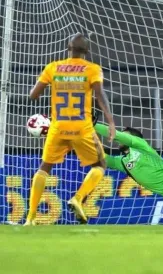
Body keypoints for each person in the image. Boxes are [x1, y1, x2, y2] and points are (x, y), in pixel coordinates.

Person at [25, 33, 116, 226]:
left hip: (58, 127)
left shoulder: (53, 67)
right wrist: (110, 121)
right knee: (100, 165)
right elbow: (100, 95)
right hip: (81, 127)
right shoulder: (92, 69)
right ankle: (78, 198)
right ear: (87, 51)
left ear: (68, 48)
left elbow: (33, 95)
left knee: (44, 168)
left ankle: (30, 218)